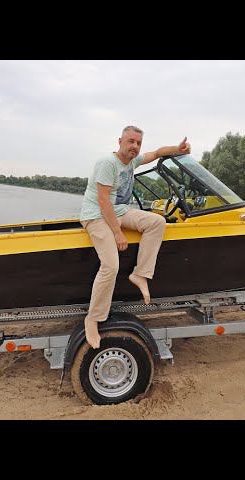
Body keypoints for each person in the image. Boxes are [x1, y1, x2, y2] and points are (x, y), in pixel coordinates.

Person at [79, 125, 191, 349]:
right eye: (131, 141)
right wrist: (118, 233)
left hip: (119, 211)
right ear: (119, 141)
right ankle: (93, 318)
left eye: (138, 143)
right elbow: (103, 201)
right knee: (111, 265)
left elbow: (156, 153)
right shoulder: (107, 163)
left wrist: (177, 149)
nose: (135, 146)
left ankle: (140, 274)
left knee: (157, 222)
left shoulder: (132, 161)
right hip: (96, 215)